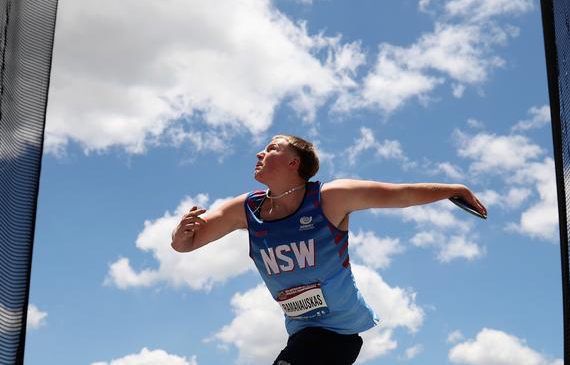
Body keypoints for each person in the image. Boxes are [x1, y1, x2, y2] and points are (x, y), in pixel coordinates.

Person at [171, 134, 487, 365]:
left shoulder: (329, 198)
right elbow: (186, 243)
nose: (259, 152)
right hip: (302, 332)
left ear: (293, 162)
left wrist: (454, 189)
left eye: (272, 148)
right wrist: (181, 234)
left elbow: (400, 195)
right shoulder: (246, 209)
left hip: (338, 332)